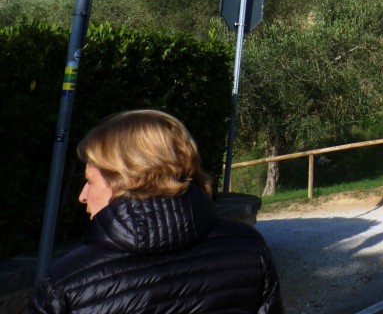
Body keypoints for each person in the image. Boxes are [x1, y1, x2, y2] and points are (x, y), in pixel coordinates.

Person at [30, 109, 285, 314]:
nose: (82, 196)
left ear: (129, 180)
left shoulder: (66, 283)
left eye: (91, 181)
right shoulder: (249, 248)